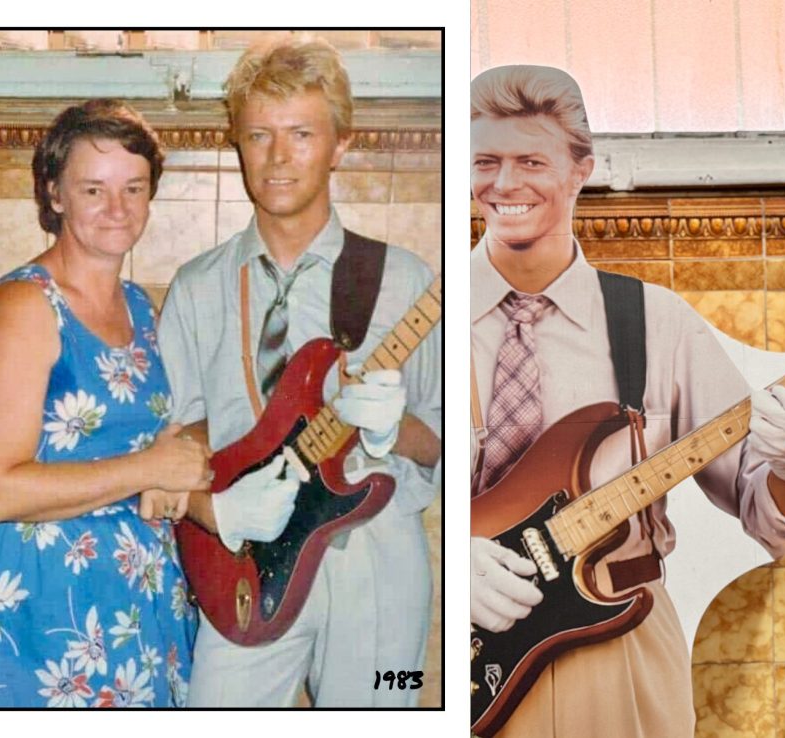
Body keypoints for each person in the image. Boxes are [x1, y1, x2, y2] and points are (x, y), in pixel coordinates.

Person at [468, 65, 785, 736]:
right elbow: (359, 499)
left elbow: (765, 512)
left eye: (532, 161)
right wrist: (442, 561)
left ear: (582, 170)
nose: (505, 183)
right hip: (455, 653)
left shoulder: (654, 322)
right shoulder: (422, 319)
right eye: (485, 162)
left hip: (619, 649)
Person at [156, 36, 441, 707]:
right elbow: (176, 435)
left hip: (375, 557)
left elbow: (442, 441)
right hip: (246, 554)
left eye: (302, 134)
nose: (278, 157)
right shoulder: (196, 286)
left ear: (341, 145)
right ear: (238, 143)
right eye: (259, 135)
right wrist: (218, 510)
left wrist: (388, 429)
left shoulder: (406, 281)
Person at [0, 99, 209, 708]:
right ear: (55, 194)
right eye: (93, 189)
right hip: (34, 603)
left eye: (133, 188)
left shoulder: (142, 306)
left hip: (133, 597)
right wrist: (148, 469)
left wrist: (181, 456)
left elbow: (164, 429)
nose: (117, 208)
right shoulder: (23, 307)